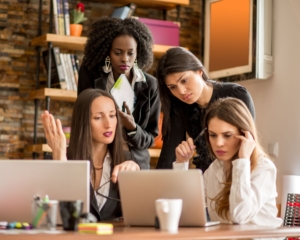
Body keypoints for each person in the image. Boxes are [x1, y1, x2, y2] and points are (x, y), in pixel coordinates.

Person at [173, 97, 282, 227]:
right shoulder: (215, 169)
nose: (218, 143)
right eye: (213, 135)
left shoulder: (263, 168)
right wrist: (181, 163)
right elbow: (185, 208)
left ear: (245, 135)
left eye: (227, 135)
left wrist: (242, 161)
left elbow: (239, 215)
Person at [41, 89, 140, 221]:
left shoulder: (126, 160)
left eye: (112, 115)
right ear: (83, 122)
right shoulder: (54, 159)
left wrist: (136, 178)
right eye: (98, 117)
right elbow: (49, 217)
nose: (108, 124)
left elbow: (138, 215)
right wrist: (60, 160)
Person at [78, 17, 160, 169]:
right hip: (98, 159)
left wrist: (133, 127)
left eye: (131, 53)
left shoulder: (150, 85)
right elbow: (82, 119)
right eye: (118, 53)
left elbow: (150, 139)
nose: (125, 59)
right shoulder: (90, 74)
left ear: (138, 53)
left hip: (134, 163)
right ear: (107, 51)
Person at [156, 47, 255, 172]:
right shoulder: (179, 106)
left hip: (237, 172)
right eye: (173, 87)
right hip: (205, 178)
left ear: (199, 71)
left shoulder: (236, 94)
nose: (181, 91)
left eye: (184, 80)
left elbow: (248, 143)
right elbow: (168, 157)